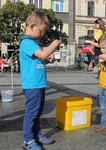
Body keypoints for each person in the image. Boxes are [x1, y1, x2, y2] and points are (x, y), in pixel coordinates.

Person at [19, 11, 60, 150]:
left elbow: (40, 58)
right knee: (31, 113)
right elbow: (42, 53)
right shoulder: (26, 42)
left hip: (39, 83)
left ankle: (36, 135)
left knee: (37, 113)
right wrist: (55, 43)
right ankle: (28, 140)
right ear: (32, 26)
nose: (42, 34)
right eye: (41, 31)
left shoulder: (33, 43)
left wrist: (46, 59)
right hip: (32, 85)